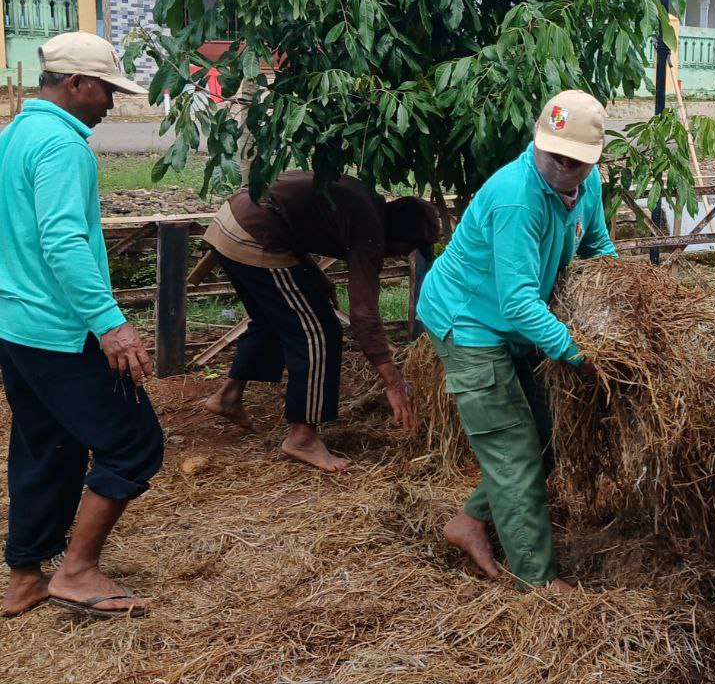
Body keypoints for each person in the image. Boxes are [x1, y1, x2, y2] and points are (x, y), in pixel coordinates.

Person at [416, 89, 616, 593]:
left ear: (592, 162)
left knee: (547, 437)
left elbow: (597, 247)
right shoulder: (516, 197)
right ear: (538, 142)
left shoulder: (587, 188)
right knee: (515, 450)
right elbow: (519, 303)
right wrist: (577, 352)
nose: (560, 168)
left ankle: (470, 522)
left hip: (518, 330)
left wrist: (619, 310)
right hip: (470, 324)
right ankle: (537, 580)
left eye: (574, 163)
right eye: (553, 155)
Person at [0, 32, 162, 620]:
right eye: (107, 90)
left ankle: (25, 576)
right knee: (134, 442)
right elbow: (64, 242)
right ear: (76, 85)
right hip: (61, 330)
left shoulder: (14, 134)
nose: (112, 103)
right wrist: (111, 325)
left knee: (49, 445)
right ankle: (77, 571)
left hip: (17, 326)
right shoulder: (63, 148)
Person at [201, 172, 440, 471]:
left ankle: (227, 397)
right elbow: (364, 315)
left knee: (273, 320)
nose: (402, 254)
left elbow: (296, 222)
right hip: (256, 236)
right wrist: (393, 381)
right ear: (400, 234)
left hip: (232, 221)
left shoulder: (367, 203)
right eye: (408, 248)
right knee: (320, 333)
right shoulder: (371, 231)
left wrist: (317, 277)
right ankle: (302, 438)